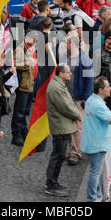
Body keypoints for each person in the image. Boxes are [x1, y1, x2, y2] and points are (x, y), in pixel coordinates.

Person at [81, 77, 111, 202]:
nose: (110, 88)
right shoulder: (98, 105)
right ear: (101, 90)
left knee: (95, 171)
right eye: (108, 86)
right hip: (97, 144)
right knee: (95, 173)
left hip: (91, 142)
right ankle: (92, 198)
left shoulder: (91, 100)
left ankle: (97, 195)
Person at [45, 64, 81, 197]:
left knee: (59, 156)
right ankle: (51, 184)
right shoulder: (56, 87)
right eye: (68, 72)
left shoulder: (58, 85)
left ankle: (53, 182)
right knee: (57, 156)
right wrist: (78, 115)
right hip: (60, 126)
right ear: (61, 74)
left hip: (63, 125)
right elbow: (65, 106)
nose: (70, 74)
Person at [59, 31, 94, 166]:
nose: (64, 45)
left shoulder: (84, 59)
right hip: (66, 96)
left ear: (72, 44)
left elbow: (90, 79)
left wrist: (86, 97)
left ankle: (75, 153)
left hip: (78, 97)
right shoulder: (64, 56)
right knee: (67, 124)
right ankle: (72, 149)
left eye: (66, 42)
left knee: (77, 126)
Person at [12, 34, 37, 146]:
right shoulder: (20, 49)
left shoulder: (30, 48)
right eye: (32, 37)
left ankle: (23, 130)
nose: (35, 40)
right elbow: (15, 64)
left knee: (25, 110)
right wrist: (27, 63)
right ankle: (16, 134)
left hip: (30, 83)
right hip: (23, 84)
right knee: (19, 110)